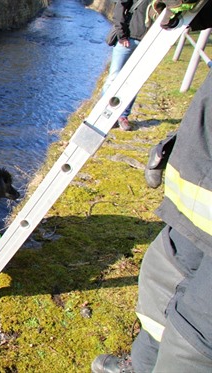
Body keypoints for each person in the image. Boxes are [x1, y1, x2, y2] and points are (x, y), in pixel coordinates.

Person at [91, 69, 212, 372]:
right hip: (196, 199)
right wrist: (181, 141)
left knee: (195, 337)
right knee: (163, 280)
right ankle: (142, 366)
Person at [102, 0, 153, 131]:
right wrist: (122, 35)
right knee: (113, 78)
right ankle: (104, 113)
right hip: (128, 40)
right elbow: (120, 8)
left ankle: (123, 116)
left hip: (148, 43)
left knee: (135, 82)